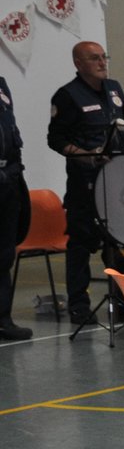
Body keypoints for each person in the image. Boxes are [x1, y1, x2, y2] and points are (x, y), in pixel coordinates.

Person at [47, 41, 124, 325]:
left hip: (118, 180)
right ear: (78, 63)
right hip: (85, 181)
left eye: (103, 57)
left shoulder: (114, 89)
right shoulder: (67, 96)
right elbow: (56, 140)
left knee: (122, 242)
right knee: (81, 243)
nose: (102, 62)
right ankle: (79, 306)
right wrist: (84, 154)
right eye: (94, 58)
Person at [0, 75, 32, 340]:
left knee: (4, 253)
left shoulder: (1, 85)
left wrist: (15, 172)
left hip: (8, 180)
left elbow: (12, 133)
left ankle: (3, 319)